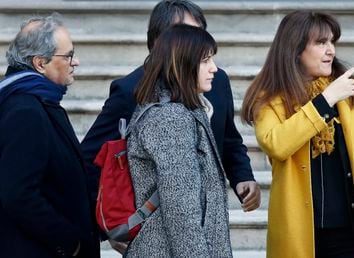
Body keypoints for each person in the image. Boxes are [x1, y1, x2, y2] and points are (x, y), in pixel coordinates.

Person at [241, 10, 354, 258]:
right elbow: (276, 144)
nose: (331, 50)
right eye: (321, 43)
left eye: (332, 42)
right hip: (304, 236)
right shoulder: (270, 99)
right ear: (295, 49)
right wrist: (326, 99)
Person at [81, 0, 260, 220]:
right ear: (159, 42)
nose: (196, 42)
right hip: (156, 221)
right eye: (185, 33)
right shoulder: (130, 90)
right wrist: (116, 226)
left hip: (210, 214)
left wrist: (243, 176)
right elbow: (90, 160)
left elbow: (228, 138)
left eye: (199, 33)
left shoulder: (216, 79)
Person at [125, 24, 232, 257]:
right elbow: (181, 209)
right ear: (181, 64)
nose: (214, 68)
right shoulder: (169, 118)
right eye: (205, 61)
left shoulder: (184, 110)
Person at [0, 14, 100, 258]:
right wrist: (68, 242)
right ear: (40, 63)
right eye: (68, 55)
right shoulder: (25, 111)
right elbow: (18, 194)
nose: (75, 61)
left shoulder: (38, 101)